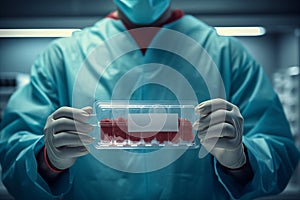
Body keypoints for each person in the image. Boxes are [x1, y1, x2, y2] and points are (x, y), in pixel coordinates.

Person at [0, 0, 299, 199]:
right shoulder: (62, 57)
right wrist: (48, 160)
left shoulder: (226, 54)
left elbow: (279, 151)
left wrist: (241, 159)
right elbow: (12, 155)